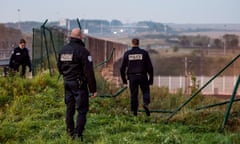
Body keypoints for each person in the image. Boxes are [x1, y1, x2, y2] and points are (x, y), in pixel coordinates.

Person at [57, 28, 97, 141]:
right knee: (82, 109)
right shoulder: (83, 51)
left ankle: (70, 133)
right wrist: (93, 89)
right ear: (80, 36)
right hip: (79, 84)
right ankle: (78, 134)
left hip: (67, 82)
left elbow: (59, 67)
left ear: (71, 36)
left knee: (69, 108)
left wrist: (66, 75)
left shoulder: (63, 50)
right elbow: (89, 72)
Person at [120, 38, 153, 116]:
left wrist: (124, 80)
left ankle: (134, 112)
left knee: (134, 94)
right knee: (146, 91)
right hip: (143, 76)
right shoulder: (144, 53)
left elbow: (122, 68)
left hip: (132, 77)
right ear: (138, 43)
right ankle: (145, 103)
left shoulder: (127, 53)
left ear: (132, 43)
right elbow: (150, 67)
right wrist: (151, 79)